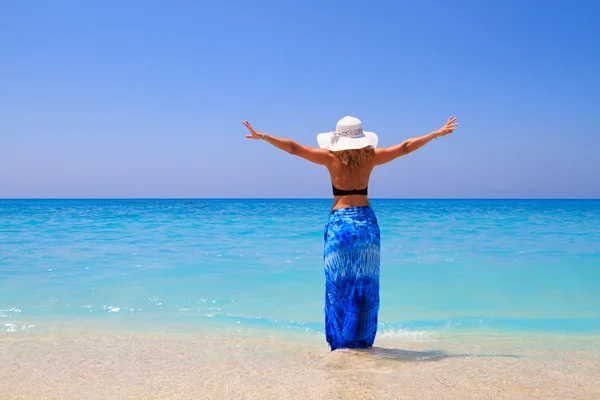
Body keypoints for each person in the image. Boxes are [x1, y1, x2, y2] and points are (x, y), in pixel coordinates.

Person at [243, 116, 458, 350]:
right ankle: (362, 342)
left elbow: (294, 148)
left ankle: (340, 344)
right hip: (366, 225)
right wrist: (435, 133)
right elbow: (405, 147)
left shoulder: (329, 158)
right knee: (366, 284)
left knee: (338, 283)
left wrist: (263, 136)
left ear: (337, 138)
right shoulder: (372, 158)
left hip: (340, 226)